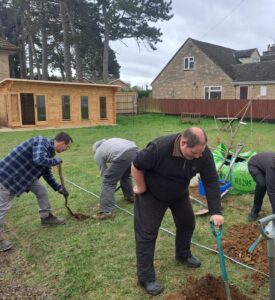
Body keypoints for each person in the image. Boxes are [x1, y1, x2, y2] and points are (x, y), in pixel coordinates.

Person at [131, 127, 224, 296]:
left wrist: (216, 211)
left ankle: (183, 254)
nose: (197, 157)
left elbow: (210, 181)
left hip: (179, 193)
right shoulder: (159, 148)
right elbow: (136, 164)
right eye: (193, 153)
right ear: (183, 143)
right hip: (152, 194)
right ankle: (145, 278)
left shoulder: (203, 154)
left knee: (187, 223)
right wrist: (141, 187)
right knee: (147, 234)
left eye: (200, 153)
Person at [0, 132, 73, 252]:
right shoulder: (41, 142)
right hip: (7, 177)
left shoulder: (49, 152)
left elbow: (47, 174)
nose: (67, 149)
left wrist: (59, 188)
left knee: (41, 190)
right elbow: (39, 160)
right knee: (3, 208)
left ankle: (46, 217)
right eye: (67, 146)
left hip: (24, 176)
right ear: (61, 143)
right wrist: (55, 161)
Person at [93, 138, 138, 220]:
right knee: (125, 175)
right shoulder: (110, 143)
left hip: (123, 154)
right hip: (134, 150)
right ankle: (130, 196)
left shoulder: (98, 153)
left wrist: (108, 189)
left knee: (108, 181)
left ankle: (107, 211)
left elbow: (104, 174)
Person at [247, 152, 275, 222]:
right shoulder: (272, 167)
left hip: (264, 165)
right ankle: (255, 211)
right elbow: (272, 192)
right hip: (255, 165)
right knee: (262, 184)